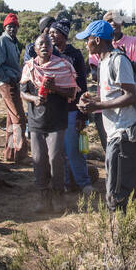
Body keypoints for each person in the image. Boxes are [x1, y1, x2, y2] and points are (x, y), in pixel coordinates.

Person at [77, 19, 136, 209]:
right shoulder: (103, 63)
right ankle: (120, 231)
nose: (86, 43)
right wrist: (93, 103)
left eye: (87, 39)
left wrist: (100, 105)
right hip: (114, 133)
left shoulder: (118, 60)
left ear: (97, 40)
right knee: (113, 190)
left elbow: (131, 96)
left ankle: (121, 234)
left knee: (118, 194)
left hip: (124, 134)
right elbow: (112, 95)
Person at [18, 32, 79, 211]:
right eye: (40, 44)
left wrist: (55, 88)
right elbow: (22, 92)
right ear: (35, 49)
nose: (44, 46)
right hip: (36, 121)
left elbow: (71, 93)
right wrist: (34, 99)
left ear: (53, 48)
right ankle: (43, 197)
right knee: (38, 158)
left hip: (57, 120)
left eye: (47, 44)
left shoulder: (63, 66)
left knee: (55, 158)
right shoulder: (29, 67)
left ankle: (59, 196)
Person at [49, 18, 93, 195]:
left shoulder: (74, 55)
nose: (51, 35)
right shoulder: (48, 53)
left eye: (55, 32)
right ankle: (66, 183)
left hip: (72, 110)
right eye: (50, 32)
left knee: (73, 149)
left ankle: (84, 183)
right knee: (58, 151)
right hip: (54, 110)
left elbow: (82, 84)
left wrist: (83, 114)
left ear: (64, 35)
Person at [0, 12, 28, 161]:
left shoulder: (13, 42)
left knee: (12, 119)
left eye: (15, 27)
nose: (13, 29)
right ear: (5, 27)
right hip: (7, 84)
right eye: (10, 26)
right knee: (19, 118)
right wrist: (7, 78)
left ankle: (10, 155)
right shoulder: (1, 41)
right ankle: (21, 154)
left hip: (13, 83)